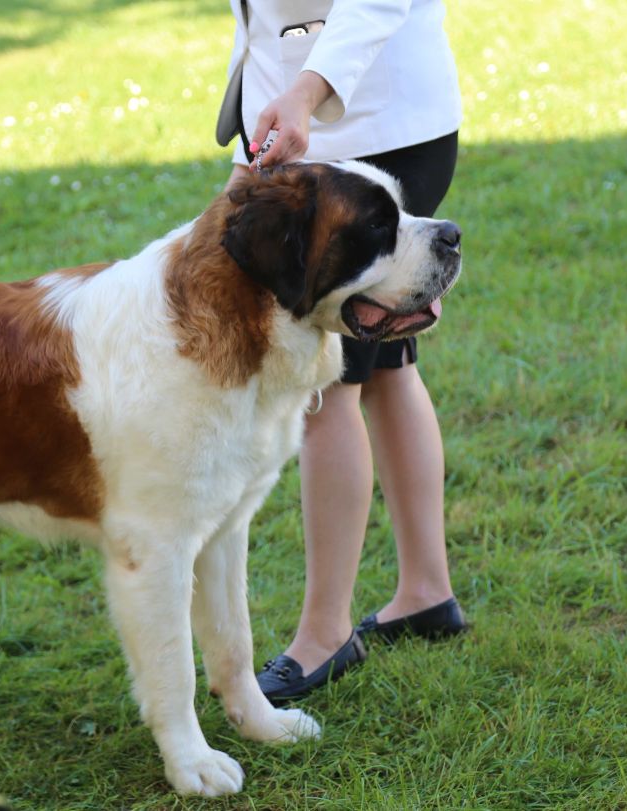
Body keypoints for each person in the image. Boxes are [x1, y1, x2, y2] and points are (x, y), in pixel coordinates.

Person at [219, 0, 467, 703]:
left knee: (327, 387)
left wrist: (301, 92)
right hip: (310, 127)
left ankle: (323, 634)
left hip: (368, 123)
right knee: (384, 371)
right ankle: (425, 590)